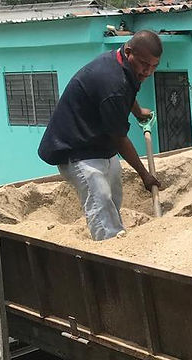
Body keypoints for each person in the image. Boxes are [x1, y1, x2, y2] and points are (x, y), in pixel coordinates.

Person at [38, 30, 163, 240]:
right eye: (144, 64)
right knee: (101, 200)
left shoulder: (125, 66)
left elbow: (126, 92)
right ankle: (110, 248)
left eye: (154, 66)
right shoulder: (111, 80)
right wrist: (145, 175)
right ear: (129, 51)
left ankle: (117, 238)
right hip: (75, 148)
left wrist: (138, 111)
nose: (148, 71)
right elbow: (120, 139)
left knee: (114, 196)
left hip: (99, 142)